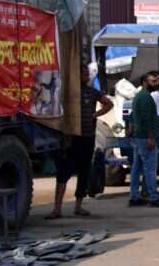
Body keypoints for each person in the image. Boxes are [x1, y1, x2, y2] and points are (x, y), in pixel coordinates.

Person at [48, 66, 113, 218]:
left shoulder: (92, 92)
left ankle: (78, 206)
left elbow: (109, 104)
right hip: (71, 138)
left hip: (88, 137)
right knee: (63, 173)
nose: (86, 76)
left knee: (84, 172)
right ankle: (57, 209)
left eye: (87, 74)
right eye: (83, 74)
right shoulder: (68, 92)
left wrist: (95, 114)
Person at [128, 71, 159, 208]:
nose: (157, 83)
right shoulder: (146, 98)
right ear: (145, 82)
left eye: (157, 81)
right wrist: (151, 138)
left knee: (136, 168)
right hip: (146, 138)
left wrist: (131, 129)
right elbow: (148, 119)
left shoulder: (139, 96)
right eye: (153, 81)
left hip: (139, 138)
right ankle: (154, 197)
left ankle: (134, 196)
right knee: (150, 168)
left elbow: (134, 115)